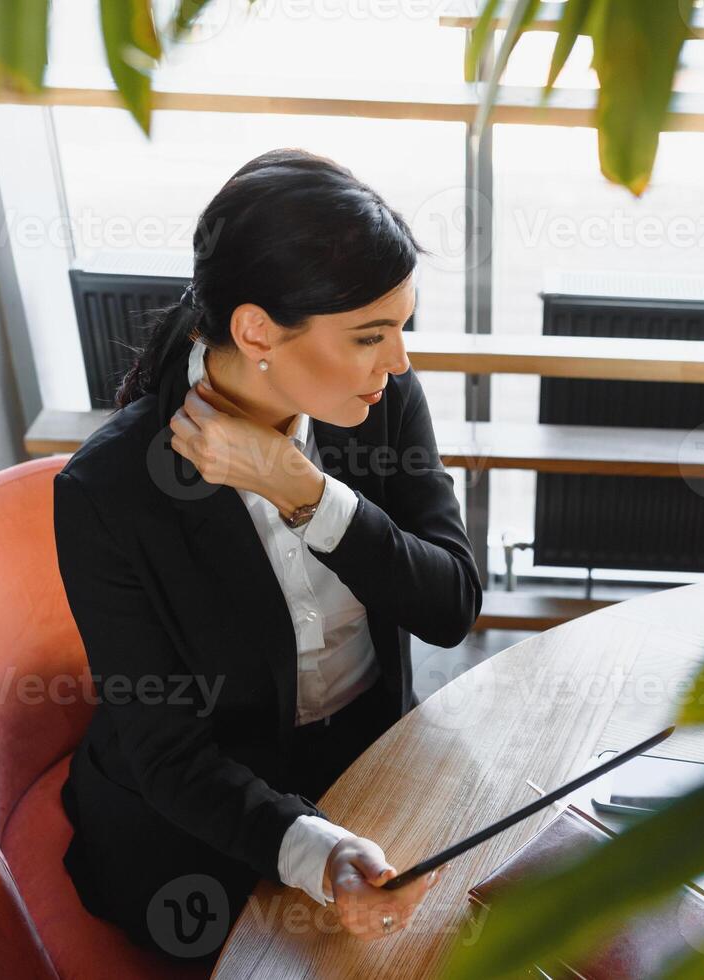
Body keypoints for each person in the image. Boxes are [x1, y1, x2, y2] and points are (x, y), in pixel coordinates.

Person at [50, 147, 480, 961]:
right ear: (256, 332)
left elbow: (450, 604)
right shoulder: (109, 493)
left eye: (401, 329)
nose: (399, 361)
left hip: (367, 756)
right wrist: (315, 850)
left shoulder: (379, 405)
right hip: (203, 819)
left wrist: (308, 495)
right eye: (369, 336)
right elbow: (171, 759)